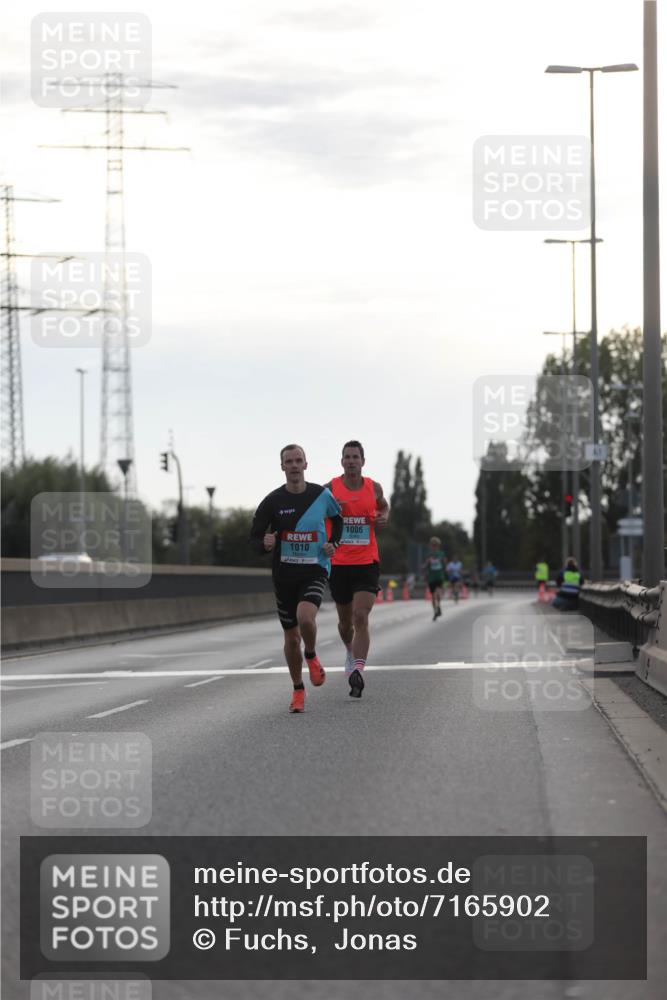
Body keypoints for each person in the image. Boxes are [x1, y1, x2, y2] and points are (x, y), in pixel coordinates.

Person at [250, 444, 343, 713]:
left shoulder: (321, 495)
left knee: (306, 618)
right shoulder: (272, 501)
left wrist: (334, 543)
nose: (293, 465)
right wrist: (265, 543)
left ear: (306, 464)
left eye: (298, 460)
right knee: (291, 638)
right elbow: (254, 538)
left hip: (315, 569)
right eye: (288, 461)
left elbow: (338, 520)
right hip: (284, 575)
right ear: (282, 467)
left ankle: (311, 655)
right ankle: (298, 689)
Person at [326, 441, 389, 699]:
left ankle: (358, 672)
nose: (351, 461)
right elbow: (317, 515)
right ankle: (350, 651)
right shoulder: (330, 489)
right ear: (342, 462)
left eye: (356, 457)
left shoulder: (373, 487)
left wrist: (385, 516)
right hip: (339, 564)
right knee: (344, 622)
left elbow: (383, 506)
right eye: (347, 457)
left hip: (366, 561)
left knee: (361, 616)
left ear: (363, 461)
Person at [423, 537, 447, 620]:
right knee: (433, 596)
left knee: (437, 592)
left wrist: (445, 571)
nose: (434, 546)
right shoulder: (429, 555)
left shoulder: (441, 554)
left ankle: (438, 606)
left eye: (435, 545)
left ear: (438, 546)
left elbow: (444, 563)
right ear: (430, 545)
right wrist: (426, 565)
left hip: (439, 576)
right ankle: (435, 611)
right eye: (432, 545)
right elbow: (426, 565)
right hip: (431, 577)